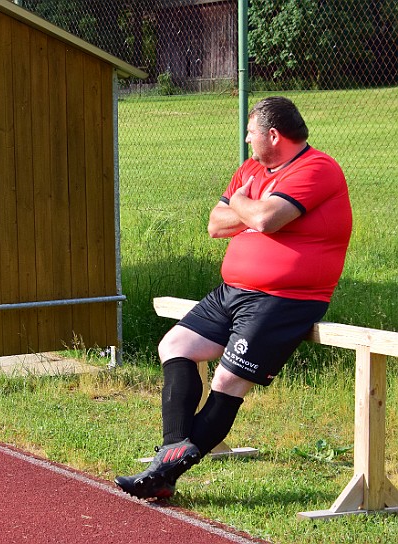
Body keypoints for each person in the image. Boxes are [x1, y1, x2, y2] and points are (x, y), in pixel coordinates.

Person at [115, 96, 353, 500]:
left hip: (284, 298)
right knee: (174, 345)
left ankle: (163, 473)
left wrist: (241, 203)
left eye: (250, 132)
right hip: (234, 292)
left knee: (228, 380)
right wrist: (249, 210)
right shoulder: (252, 169)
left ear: (273, 135)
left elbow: (265, 219)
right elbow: (215, 225)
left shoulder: (317, 169)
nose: (246, 140)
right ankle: (170, 456)